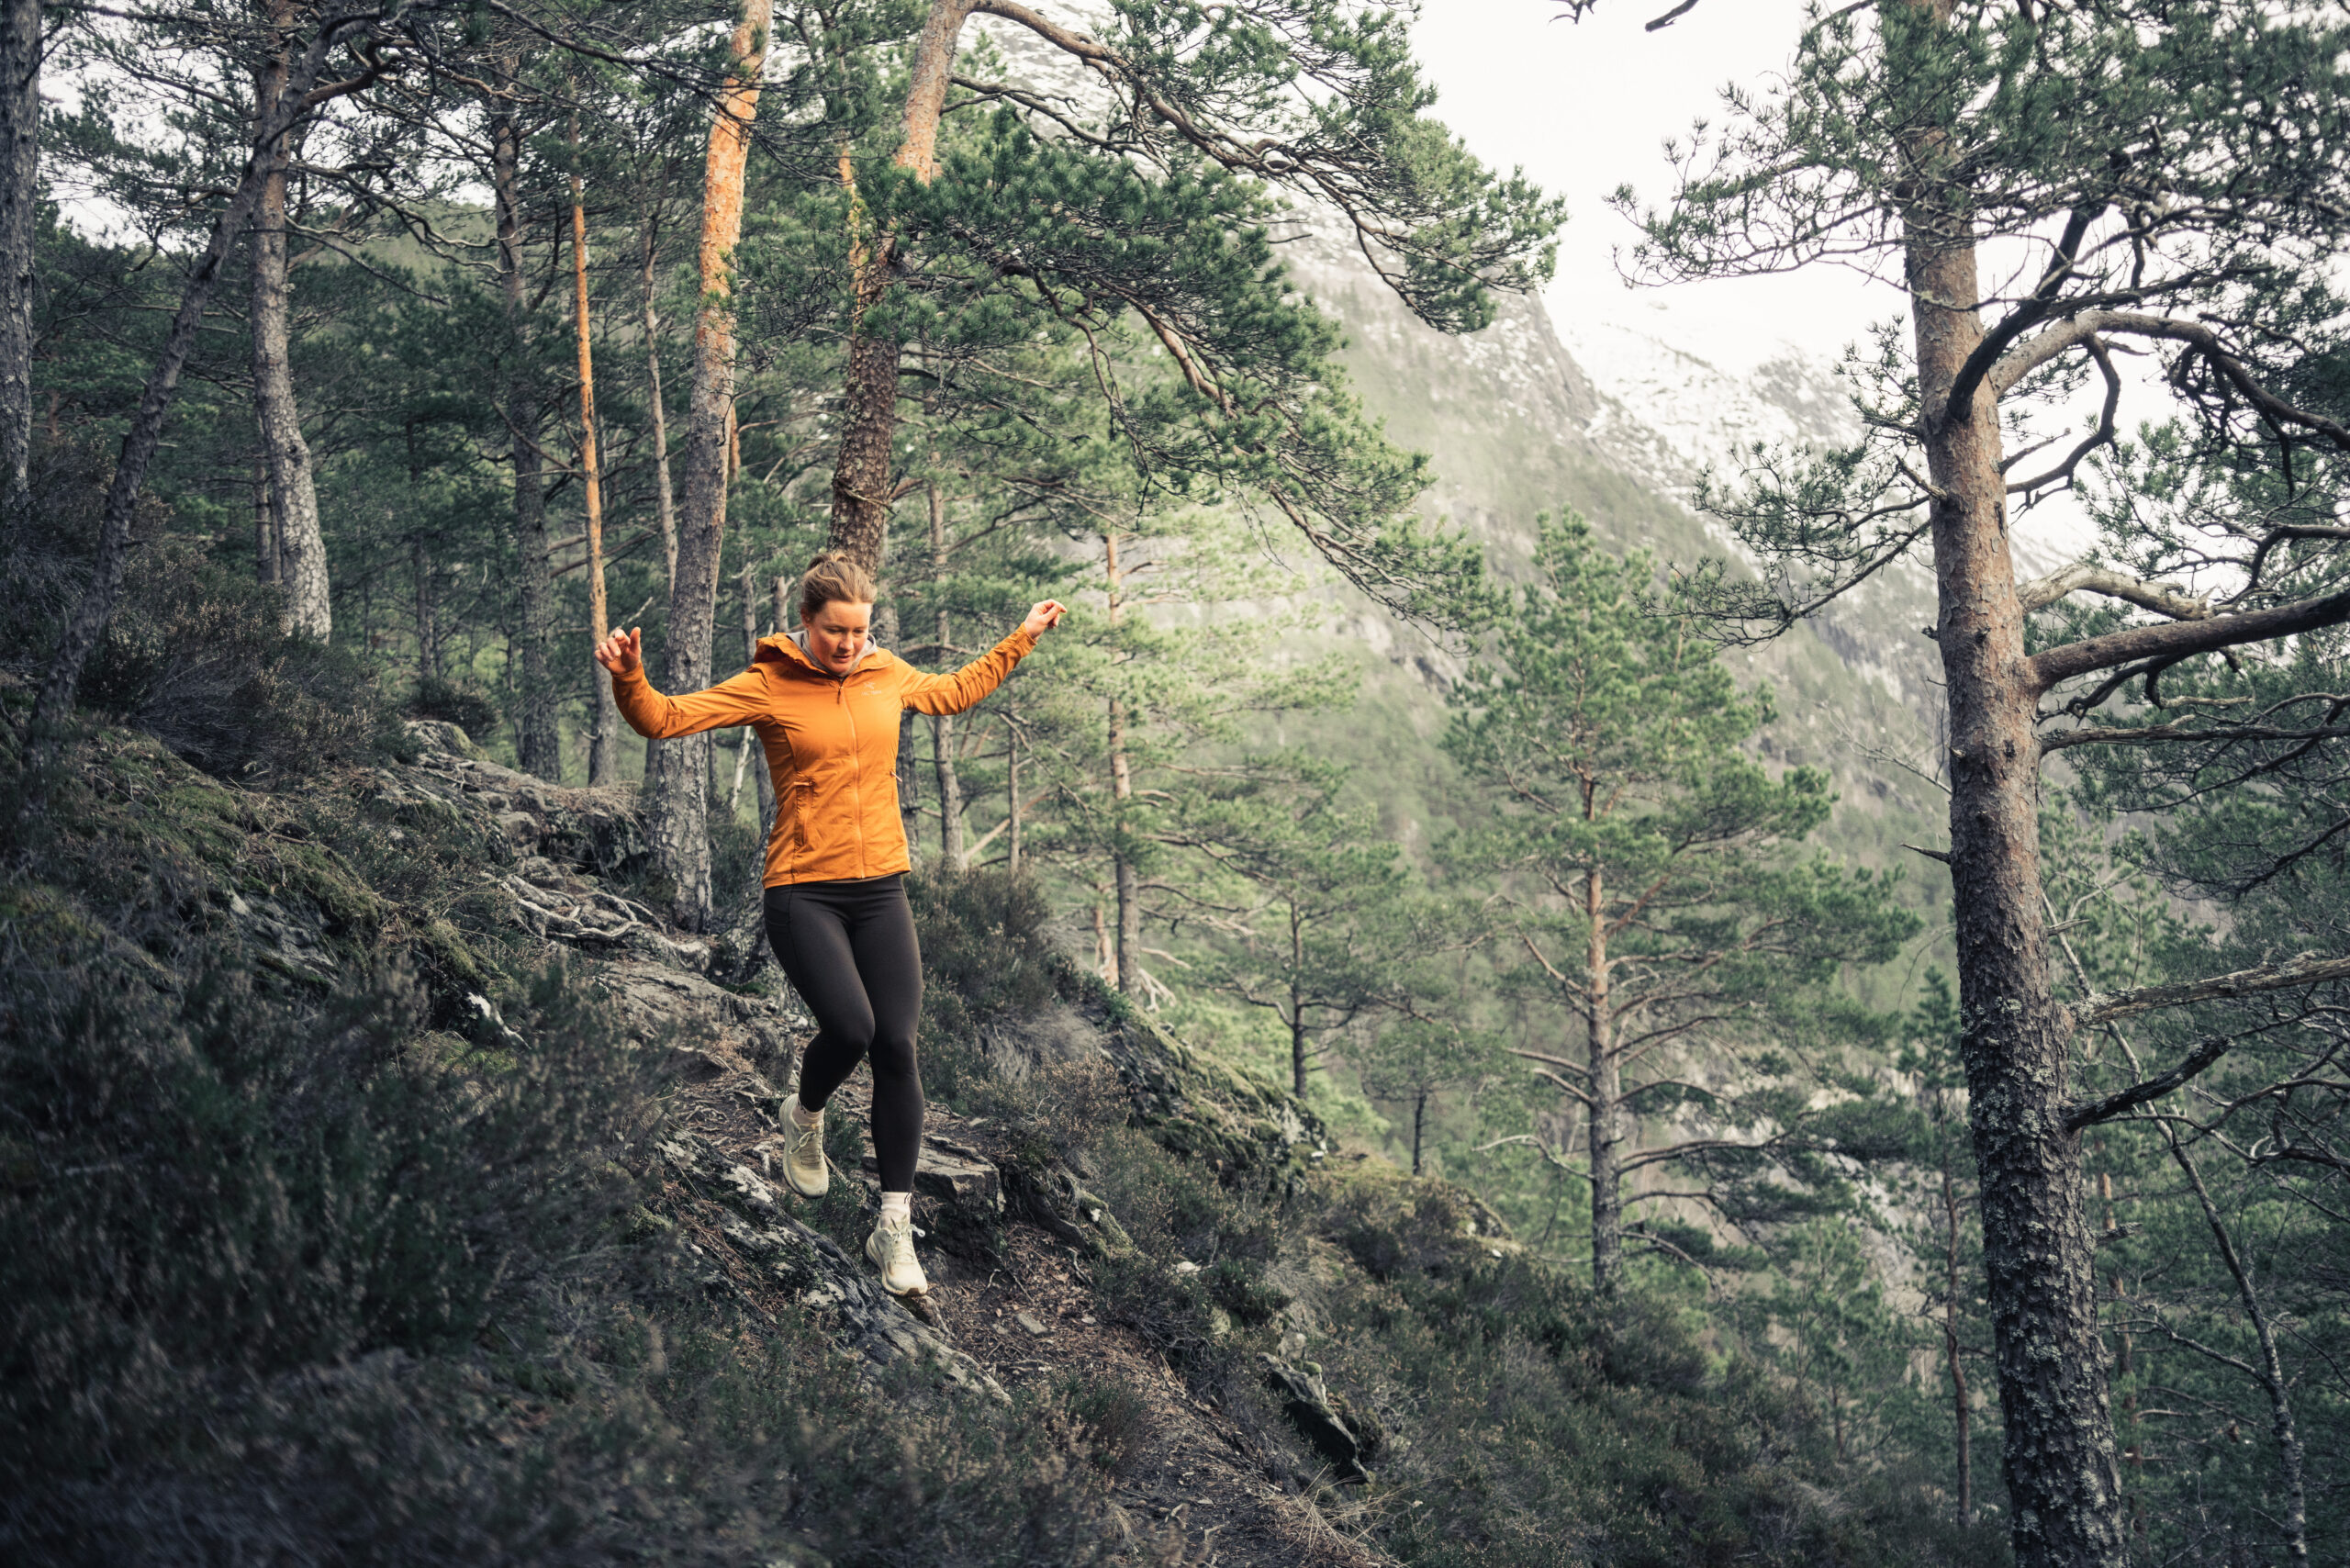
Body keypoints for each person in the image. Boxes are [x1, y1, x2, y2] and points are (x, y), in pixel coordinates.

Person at [595, 553, 1065, 1295]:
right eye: (835, 631)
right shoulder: (769, 683)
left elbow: (954, 692)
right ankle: (804, 1114)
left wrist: (1022, 636)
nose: (849, 644)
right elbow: (664, 718)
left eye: (860, 631)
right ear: (806, 623)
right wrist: (629, 676)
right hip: (802, 891)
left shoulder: (887, 673)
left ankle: (893, 1228)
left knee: (898, 1046)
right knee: (850, 1029)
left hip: (881, 888)